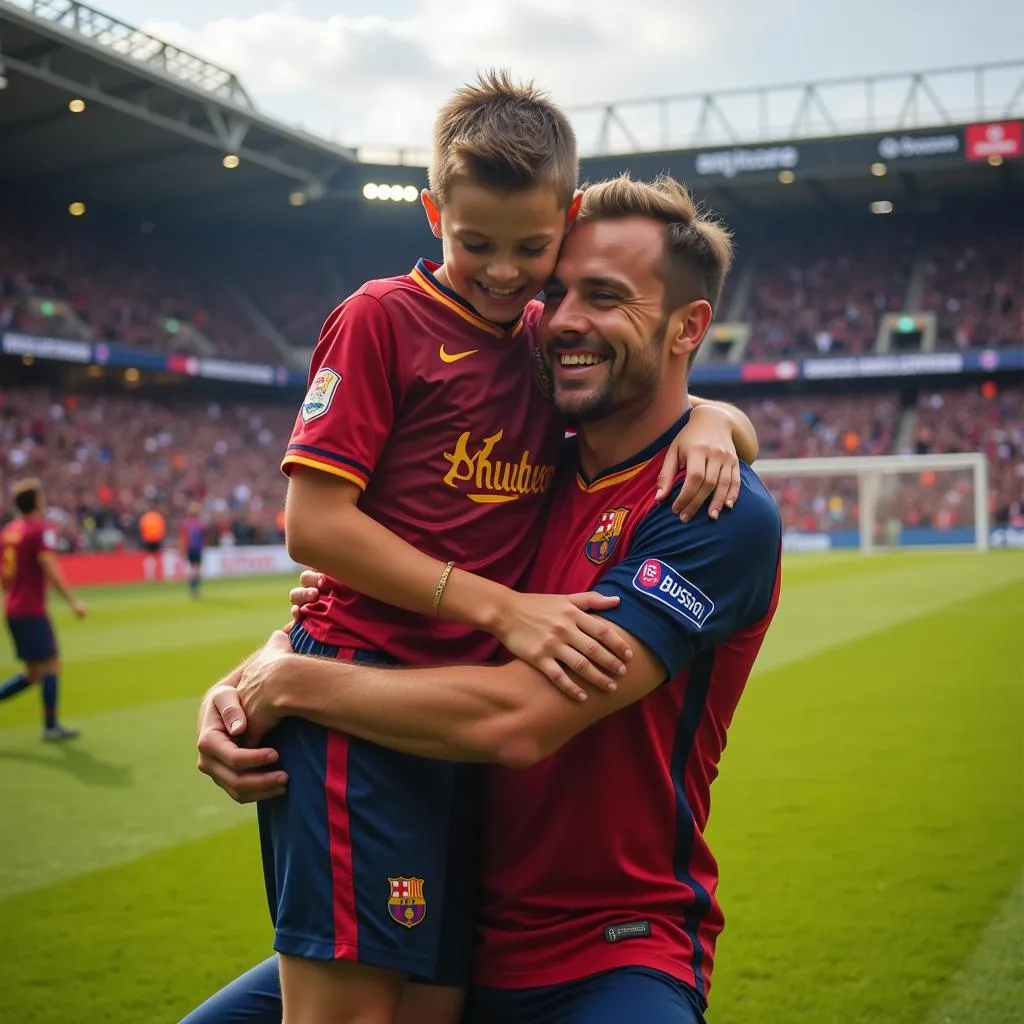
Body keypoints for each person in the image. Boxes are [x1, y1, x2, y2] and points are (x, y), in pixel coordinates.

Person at [184, 73, 759, 1024]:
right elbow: (313, 526)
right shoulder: (380, 317)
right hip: (358, 712)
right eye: (473, 243)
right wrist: (495, 608)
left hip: (447, 746)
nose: (503, 271)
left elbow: (645, 376)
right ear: (431, 213)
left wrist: (713, 416)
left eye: (533, 249)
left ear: (565, 219)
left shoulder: (541, 344)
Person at [0, 478, 86, 741]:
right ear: (37, 500)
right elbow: (50, 569)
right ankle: (51, 726)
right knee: (51, 665)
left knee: (33, 673)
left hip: (13, 608)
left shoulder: (9, 531)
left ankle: (50, 725)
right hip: (31, 610)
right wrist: (73, 601)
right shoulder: (39, 530)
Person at [180, 502, 207, 599]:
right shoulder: (201, 524)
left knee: (192, 568)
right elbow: (204, 537)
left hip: (189, 548)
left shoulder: (186, 523)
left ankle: (192, 588)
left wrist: (182, 550)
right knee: (197, 568)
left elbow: (183, 537)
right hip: (197, 549)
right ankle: (196, 588)